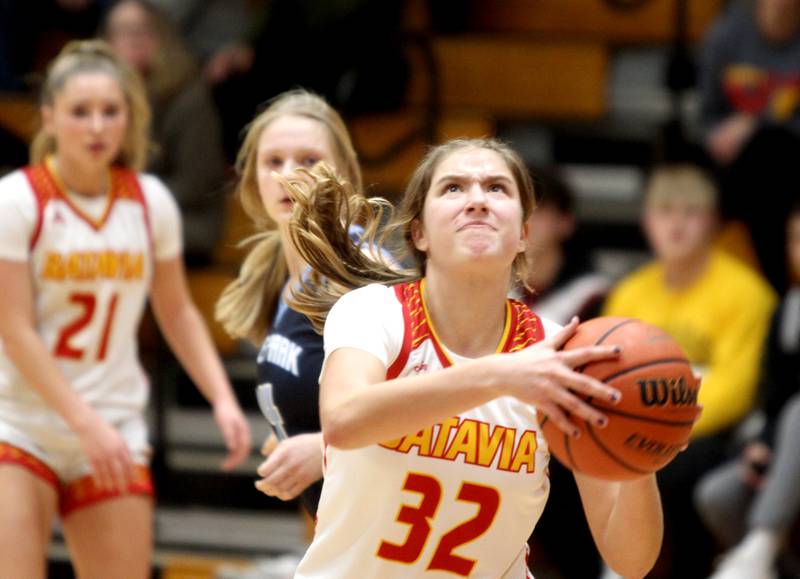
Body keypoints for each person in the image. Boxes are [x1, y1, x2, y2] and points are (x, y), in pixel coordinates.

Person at [278, 138, 668, 578]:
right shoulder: (374, 311)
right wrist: (499, 376)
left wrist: (638, 456)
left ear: (523, 233)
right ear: (418, 232)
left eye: (497, 188)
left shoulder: (559, 355)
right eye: (453, 188)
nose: (478, 200)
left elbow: (630, 562)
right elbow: (344, 421)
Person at [0, 40, 251, 578]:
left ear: (130, 118)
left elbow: (178, 310)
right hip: (20, 423)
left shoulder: (149, 201)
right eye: (79, 111)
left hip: (114, 423)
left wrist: (224, 399)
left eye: (110, 111)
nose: (96, 126)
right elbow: (14, 329)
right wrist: (82, 422)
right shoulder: (17, 200)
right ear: (49, 116)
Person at [603, 163, 776, 578]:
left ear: (713, 223)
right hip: (639, 427)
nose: (676, 226)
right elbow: (604, 374)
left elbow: (736, 389)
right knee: (565, 463)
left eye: (690, 213)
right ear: (647, 222)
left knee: (674, 468)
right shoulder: (630, 292)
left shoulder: (747, 293)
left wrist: (656, 425)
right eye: (665, 212)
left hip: (715, 433)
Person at [216, 89, 362, 515]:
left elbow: (425, 410)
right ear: (253, 178)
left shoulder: (361, 273)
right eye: (273, 162)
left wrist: (322, 448)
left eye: (309, 161)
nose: (287, 175)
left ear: (344, 173)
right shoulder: (280, 274)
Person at [695, 201, 800, 579]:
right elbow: (773, 395)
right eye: (795, 239)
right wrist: (763, 447)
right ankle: (764, 562)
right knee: (717, 495)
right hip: (790, 445)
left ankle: (763, 543)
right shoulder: (786, 309)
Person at [515, 166, 611, 579]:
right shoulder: (489, 289)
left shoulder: (595, 295)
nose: (526, 222)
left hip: (572, 427)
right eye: (520, 210)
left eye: (538, 211)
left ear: (565, 222)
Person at [102, 0, 227, 265]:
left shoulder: (188, 96)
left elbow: (196, 183)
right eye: (124, 30)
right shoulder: (96, 95)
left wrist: (126, 200)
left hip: (185, 220)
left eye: (143, 29)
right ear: (107, 41)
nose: (134, 39)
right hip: (116, 215)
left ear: (162, 36)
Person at [699, 0, 800, 291]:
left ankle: (772, 281)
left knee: (772, 148)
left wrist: (757, 121)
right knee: (762, 156)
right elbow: (707, 115)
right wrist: (717, 136)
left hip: (788, 158)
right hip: (739, 165)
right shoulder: (725, 36)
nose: (779, 7)